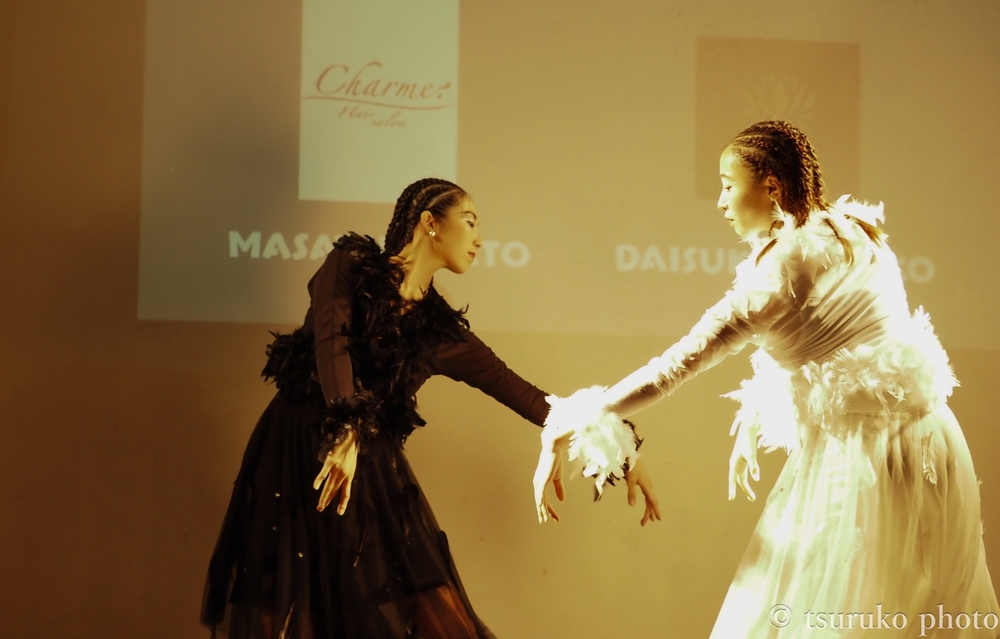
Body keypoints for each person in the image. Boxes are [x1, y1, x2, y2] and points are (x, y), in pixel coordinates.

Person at [534, 121, 999, 638]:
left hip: (860, 460)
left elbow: (675, 366)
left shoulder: (774, 277)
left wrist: (579, 416)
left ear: (771, 187)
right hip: (932, 440)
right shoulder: (858, 232)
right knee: (925, 611)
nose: (720, 202)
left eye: (727, 185)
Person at [202, 178, 659, 639]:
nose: (480, 239)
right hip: (291, 451)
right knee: (282, 607)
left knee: (429, 611)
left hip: (369, 472)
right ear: (430, 224)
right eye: (470, 222)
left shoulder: (443, 333)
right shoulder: (348, 264)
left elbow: (529, 397)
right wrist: (346, 430)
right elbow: (331, 344)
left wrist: (621, 448)